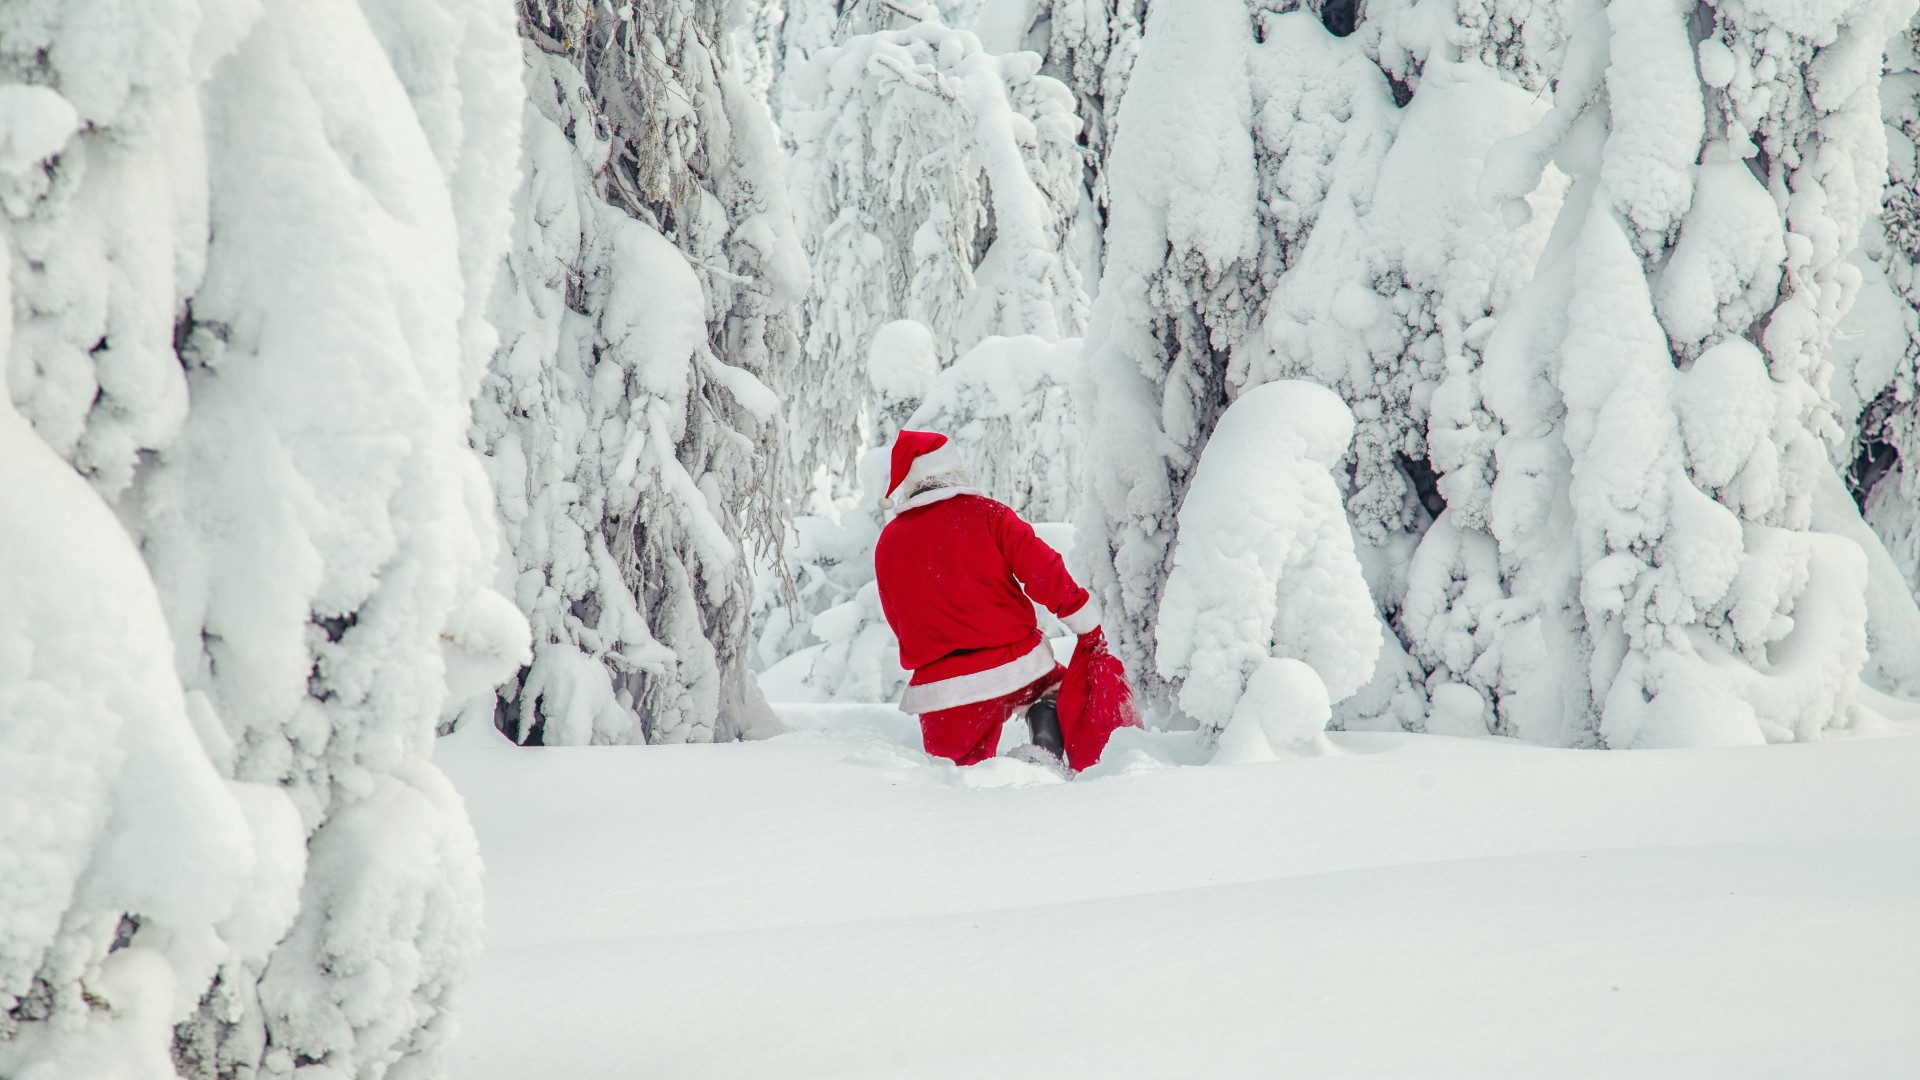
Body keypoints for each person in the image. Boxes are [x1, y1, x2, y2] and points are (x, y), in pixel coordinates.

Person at [873, 429, 1104, 768]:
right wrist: (1082, 620)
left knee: (956, 779)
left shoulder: (889, 542)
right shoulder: (988, 514)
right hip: (1017, 666)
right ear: (954, 468)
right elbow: (1044, 571)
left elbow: (898, 617)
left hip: (945, 691)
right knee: (1056, 690)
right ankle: (1044, 754)